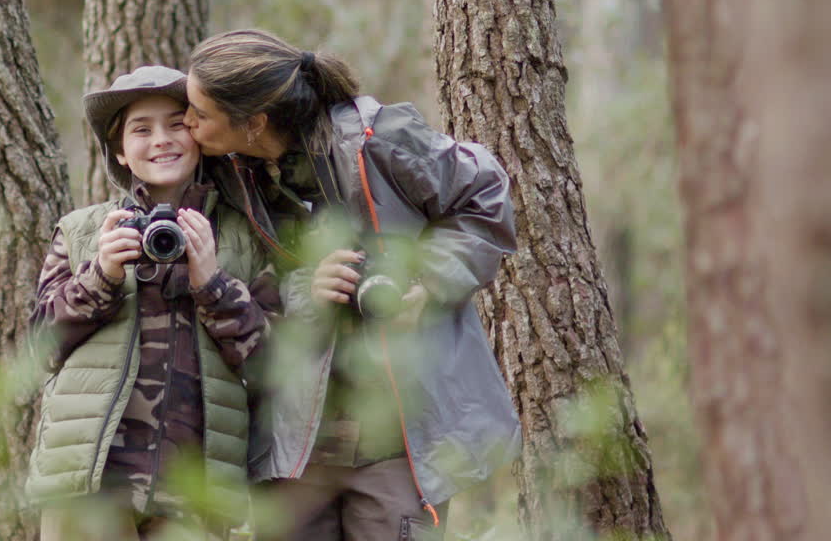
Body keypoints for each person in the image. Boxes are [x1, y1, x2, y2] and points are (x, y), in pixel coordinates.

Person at [183, 29, 520, 540]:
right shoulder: (230, 174)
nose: (186, 124)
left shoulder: (377, 139)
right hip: (291, 446)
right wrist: (306, 291)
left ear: (254, 123)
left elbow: (486, 195)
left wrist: (427, 284)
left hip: (396, 441)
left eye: (199, 114)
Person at [25, 66, 277, 541]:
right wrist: (100, 276)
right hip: (88, 483)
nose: (162, 139)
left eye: (177, 123)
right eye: (141, 129)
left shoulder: (246, 235)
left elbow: (274, 364)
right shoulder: (82, 231)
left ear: (200, 134)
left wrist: (213, 283)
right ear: (119, 151)